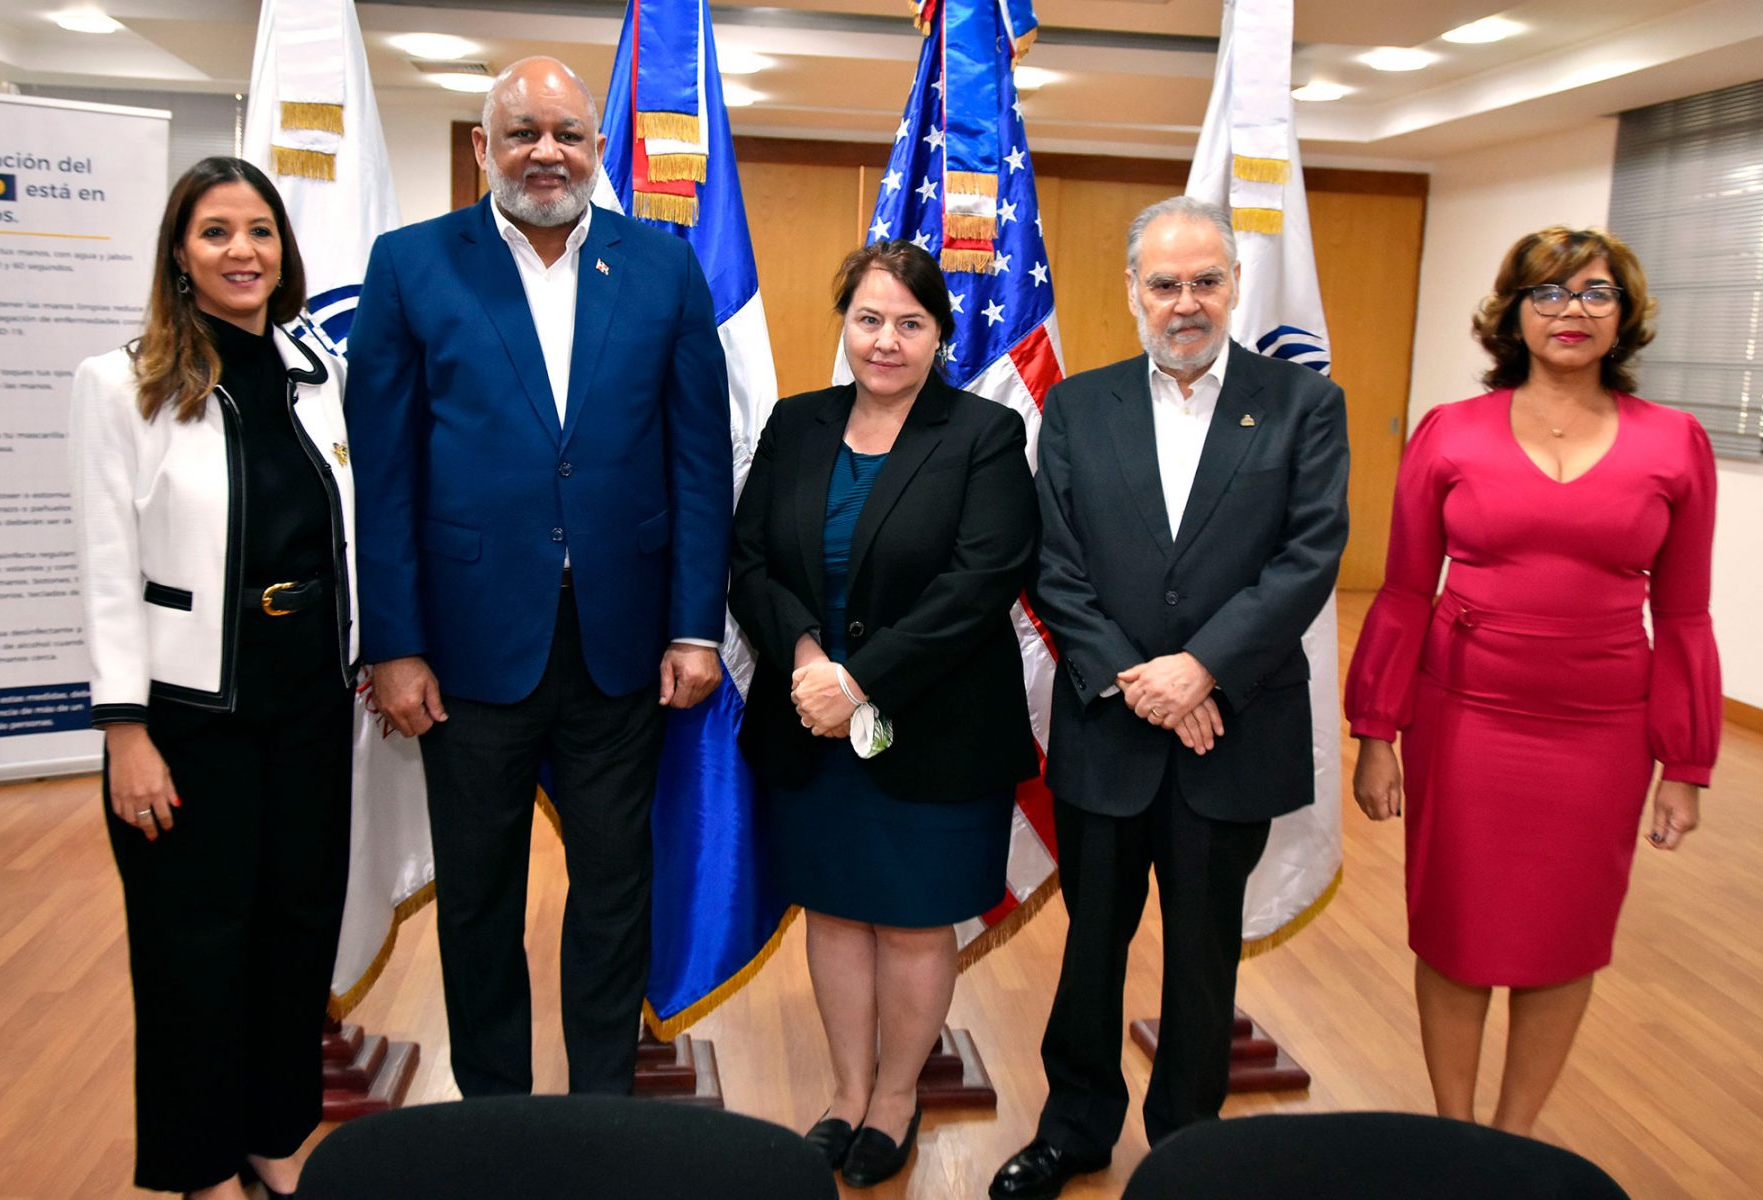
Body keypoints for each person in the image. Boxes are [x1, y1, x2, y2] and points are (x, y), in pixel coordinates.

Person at [345, 56, 731, 1098]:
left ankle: (599, 1108)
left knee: (615, 888)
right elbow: (381, 477)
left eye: (567, 132)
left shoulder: (663, 269)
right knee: (478, 898)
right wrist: (393, 642)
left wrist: (697, 624)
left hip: (626, 646)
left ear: (599, 147)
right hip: (465, 652)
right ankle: (497, 1116)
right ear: (483, 148)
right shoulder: (411, 265)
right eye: (522, 133)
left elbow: (701, 460)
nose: (546, 152)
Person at [991, 196, 1349, 1200]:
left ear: (1234, 287)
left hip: (1230, 727)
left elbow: (1308, 555)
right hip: (1111, 725)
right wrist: (1142, 682)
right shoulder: (1077, 406)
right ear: (1132, 292)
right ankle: (1073, 1131)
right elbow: (1054, 565)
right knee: (1092, 945)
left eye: (1205, 282)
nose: (1185, 302)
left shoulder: (1302, 405)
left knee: (1203, 955)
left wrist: (1202, 670)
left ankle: (1188, 1145)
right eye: (1165, 283)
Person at [1345, 226, 1719, 1135]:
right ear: (1513, 312)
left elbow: (1683, 618)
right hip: (1465, 717)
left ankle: (1513, 1145)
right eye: (1548, 294)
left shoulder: (1676, 443)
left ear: (1624, 317)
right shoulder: (1450, 432)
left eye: (1595, 294)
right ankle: (1454, 1133)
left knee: (1566, 939)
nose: (1571, 312)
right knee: (1456, 931)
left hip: (1601, 733)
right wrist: (1377, 734)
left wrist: (1687, 764)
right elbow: (1401, 593)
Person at [71, 156, 357, 1199]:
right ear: (179, 256)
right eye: (216, 232)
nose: (243, 251)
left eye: (261, 232)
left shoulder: (321, 372)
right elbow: (105, 567)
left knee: (295, 935)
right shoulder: (123, 381)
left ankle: (276, 1139)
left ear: (285, 253)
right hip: (187, 720)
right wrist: (124, 731)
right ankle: (200, 1166)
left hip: (311, 708)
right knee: (195, 955)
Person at [729, 240, 1039, 1188]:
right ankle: (844, 1090)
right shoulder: (796, 423)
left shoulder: (983, 434)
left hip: (933, 726)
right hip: (812, 719)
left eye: (910, 322)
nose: (887, 341)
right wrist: (809, 658)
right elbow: (749, 560)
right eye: (869, 319)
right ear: (845, 326)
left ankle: (897, 1096)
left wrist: (859, 681)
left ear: (941, 333)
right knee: (833, 911)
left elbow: (982, 581)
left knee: (910, 922)